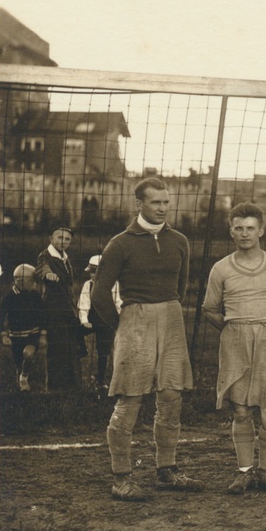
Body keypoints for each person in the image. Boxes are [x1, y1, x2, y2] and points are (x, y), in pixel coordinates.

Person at [93, 177, 203, 501]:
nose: (162, 208)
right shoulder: (120, 243)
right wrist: (122, 327)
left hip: (170, 318)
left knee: (171, 397)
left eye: (166, 202)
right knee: (129, 400)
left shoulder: (180, 240)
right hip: (135, 320)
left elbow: (180, 288)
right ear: (138, 204)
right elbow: (100, 294)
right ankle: (121, 476)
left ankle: (166, 469)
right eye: (155, 202)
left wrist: (166, 310)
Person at [203, 202, 266, 494]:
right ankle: (244, 471)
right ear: (231, 231)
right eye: (239, 228)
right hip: (235, 341)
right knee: (242, 411)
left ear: (261, 231)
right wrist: (235, 330)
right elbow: (210, 309)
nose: (245, 234)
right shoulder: (221, 269)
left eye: (250, 229)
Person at [35, 226, 84, 390]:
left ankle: (71, 385)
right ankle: (55, 387)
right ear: (51, 239)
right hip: (54, 310)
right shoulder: (46, 256)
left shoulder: (65, 258)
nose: (63, 242)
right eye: (59, 237)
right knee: (57, 347)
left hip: (68, 309)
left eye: (67, 239)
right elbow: (41, 267)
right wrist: (47, 273)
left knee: (70, 347)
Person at [78, 255, 122, 392]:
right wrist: (85, 321)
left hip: (106, 320)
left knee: (103, 350)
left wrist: (119, 318)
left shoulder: (114, 284)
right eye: (91, 272)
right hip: (92, 318)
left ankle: (100, 380)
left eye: (95, 272)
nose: (93, 275)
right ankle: (81, 350)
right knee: (74, 331)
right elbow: (84, 305)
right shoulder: (88, 285)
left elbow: (118, 303)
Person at [0, 264, 46, 392]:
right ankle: (21, 381)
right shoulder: (9, 298)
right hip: (15, 336)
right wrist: (4, 335)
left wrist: (42, 335)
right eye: (32, 281)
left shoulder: (35, 296)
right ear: (20, 281)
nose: (35, 284)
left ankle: (24, 377)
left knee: (28, 354)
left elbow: (43, 315)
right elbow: (0, 316)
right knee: (19, 362)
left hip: (32, 334)